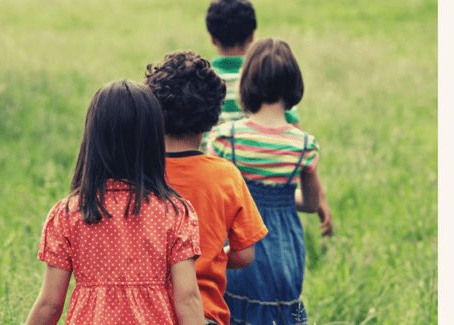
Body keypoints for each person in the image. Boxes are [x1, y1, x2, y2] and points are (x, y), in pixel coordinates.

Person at [26, 80, 204, 325]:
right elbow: (188, 299)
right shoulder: (174, 213)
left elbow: (50, 304)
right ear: (153, 141)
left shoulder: (69, 214)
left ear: (93, 140)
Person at [146, 50, 269, 325]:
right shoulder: (225, 176)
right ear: (213, 116)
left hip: (145, 313)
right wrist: (214, 255)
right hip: (205, 313)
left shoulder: (139, 173)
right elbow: (244, 253)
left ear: (152, 111)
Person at [209, 38, 324, 324]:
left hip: (238, 246)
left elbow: (214, 198)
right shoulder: (304, 145)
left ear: (247, 83)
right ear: (294, 85)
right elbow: (311, 203)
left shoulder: (227, 138)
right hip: (285, 249)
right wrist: (283, 199)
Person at [206, 0, 334, 237]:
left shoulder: (204, 84)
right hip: (280, 229)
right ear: (252, 35)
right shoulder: (273, 83)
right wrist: (320, 198)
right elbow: (294, 147)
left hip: (226, 207)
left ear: (212, 37)